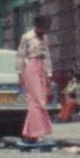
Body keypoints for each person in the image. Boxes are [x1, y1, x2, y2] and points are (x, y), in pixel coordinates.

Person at [16, 15, 53, 143]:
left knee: (36, 101)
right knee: (38, 101)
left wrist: (48, 74)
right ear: (38, 25)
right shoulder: (27, 37)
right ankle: (38, 132)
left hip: (41, 67)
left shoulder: (45, 38)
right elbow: (20, 56)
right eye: (45, 26)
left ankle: (29, 133)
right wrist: (20, 74)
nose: (47, 29)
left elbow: (47, 56)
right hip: (31, 67)